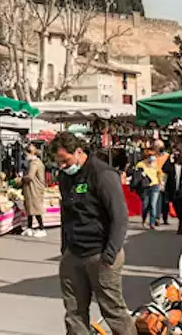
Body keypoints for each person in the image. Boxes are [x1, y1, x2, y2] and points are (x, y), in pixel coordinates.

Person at [53, 131, 135, 335]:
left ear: (78, 152)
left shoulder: (103, 174)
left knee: (113, 310)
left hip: (101, 253)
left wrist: (110, 254)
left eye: (65, 160)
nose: (62, 166)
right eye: (58, 162)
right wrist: (65, 248)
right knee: (74, 311)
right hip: (74, 253)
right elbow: (66, 213)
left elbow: (120, 217)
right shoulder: (65, 177)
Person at [163, 145, 182, 234]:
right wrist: (169, 160)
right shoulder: (171, 164)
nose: (175, 153)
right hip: (173, 189)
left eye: (177, 151)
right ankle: (181, 221)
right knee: (176, 207)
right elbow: (164, 169)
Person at [22, 145, 46, 238]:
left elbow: (30, 176)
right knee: (30, 208)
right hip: (33, 188)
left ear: (30, 153)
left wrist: (21, 179)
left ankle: (41, 228)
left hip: (34, 188)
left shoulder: (34, 163)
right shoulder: (37, 162)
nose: (25, 156)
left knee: (36, 208)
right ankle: (30, 227)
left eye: (26, 154)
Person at [135, 150, 161, 230]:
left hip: (155, 186)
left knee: (153, 204)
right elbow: (137, 174)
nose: (152, 158)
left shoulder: (156, 164)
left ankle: (152, 223)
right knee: (145, 205)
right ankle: (144, 219)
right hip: (145, 186)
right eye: (150, 157)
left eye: (154, 156)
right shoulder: (141, 164)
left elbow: (159, 173)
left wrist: (160, 182)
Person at [153, 140, 171, 225]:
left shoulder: (168, 156)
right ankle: (157, 218)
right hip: (156, 179)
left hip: (166, 179)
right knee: (158, 200)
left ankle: (165, 217)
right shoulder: (153, 157)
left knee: (165, 200)